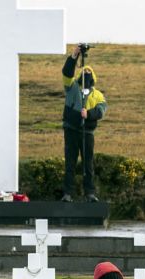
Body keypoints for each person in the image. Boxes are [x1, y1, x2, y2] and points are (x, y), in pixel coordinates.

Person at [61, 45, 107, 203]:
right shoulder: (72, 87)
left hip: (87, 133)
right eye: (84, 72)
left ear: (93, 77)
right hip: (71, 130)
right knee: (70, 163)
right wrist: (74, 56)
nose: (86, 74)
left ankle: (90, 193)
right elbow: (67, 72)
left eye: (89, 73)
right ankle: (67, 193)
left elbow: (101, 111)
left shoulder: (98, 95)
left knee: (88, 165)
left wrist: (89, 114)